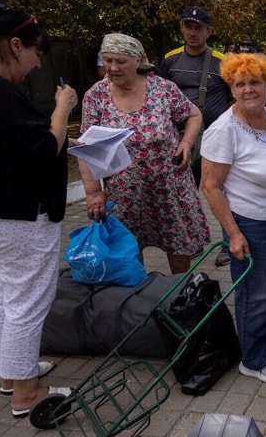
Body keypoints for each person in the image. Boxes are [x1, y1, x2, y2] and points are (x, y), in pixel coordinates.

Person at [200, 52, 266, 384]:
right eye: (240, 83)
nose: (248, 89)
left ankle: (259, 342)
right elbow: (211, 186)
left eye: (255, 82)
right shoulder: (223, 130)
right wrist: (233, 234)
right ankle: (254, 360)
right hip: (249, 223)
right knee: (253, 293)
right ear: (232, 89)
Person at [0, 4, 79, 417]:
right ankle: (26, 392)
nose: (34, 65)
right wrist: (62, 108)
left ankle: (11, 373)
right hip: (22, 215)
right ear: (14, 44)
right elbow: (43, 148)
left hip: (7, 214)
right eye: (34, 54)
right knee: (27, 299)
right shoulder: (3, 94)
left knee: (7, 295)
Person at [79, 33, 210, 275]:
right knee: (129, 246)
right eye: (107, 60)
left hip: (170, 186)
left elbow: (193, 114)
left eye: (120, 61)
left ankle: (179, 294)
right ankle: (138, 297)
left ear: (137, 60)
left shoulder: (162, 88)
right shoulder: (95, 96)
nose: (112, 67)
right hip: (125, 191)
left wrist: (186, 142)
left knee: (178, 245)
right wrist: (93, 192)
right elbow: (85, 147)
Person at [158, 6, 231, 267]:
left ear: (208, 31)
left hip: (216, 141)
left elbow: (235, 98)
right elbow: (159, 98)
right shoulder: (170, 60)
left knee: (221, 190)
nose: (192, 32)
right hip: (181, 141)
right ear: (181, 28)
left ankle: (227, 243)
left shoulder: (222, 61)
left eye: (198, 27)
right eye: (187, 26)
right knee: (183, 194)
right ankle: (190, 242)